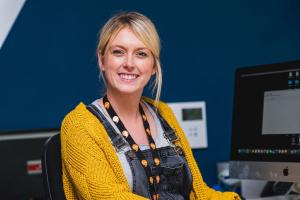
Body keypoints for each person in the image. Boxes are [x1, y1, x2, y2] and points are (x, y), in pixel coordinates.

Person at [61, 11, 240, 200]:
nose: (129, 63)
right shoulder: (79, 126)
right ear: (102, 60)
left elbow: (199, 194)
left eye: (141, 54)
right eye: (118, 52)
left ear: (153, 66)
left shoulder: (163, 113)